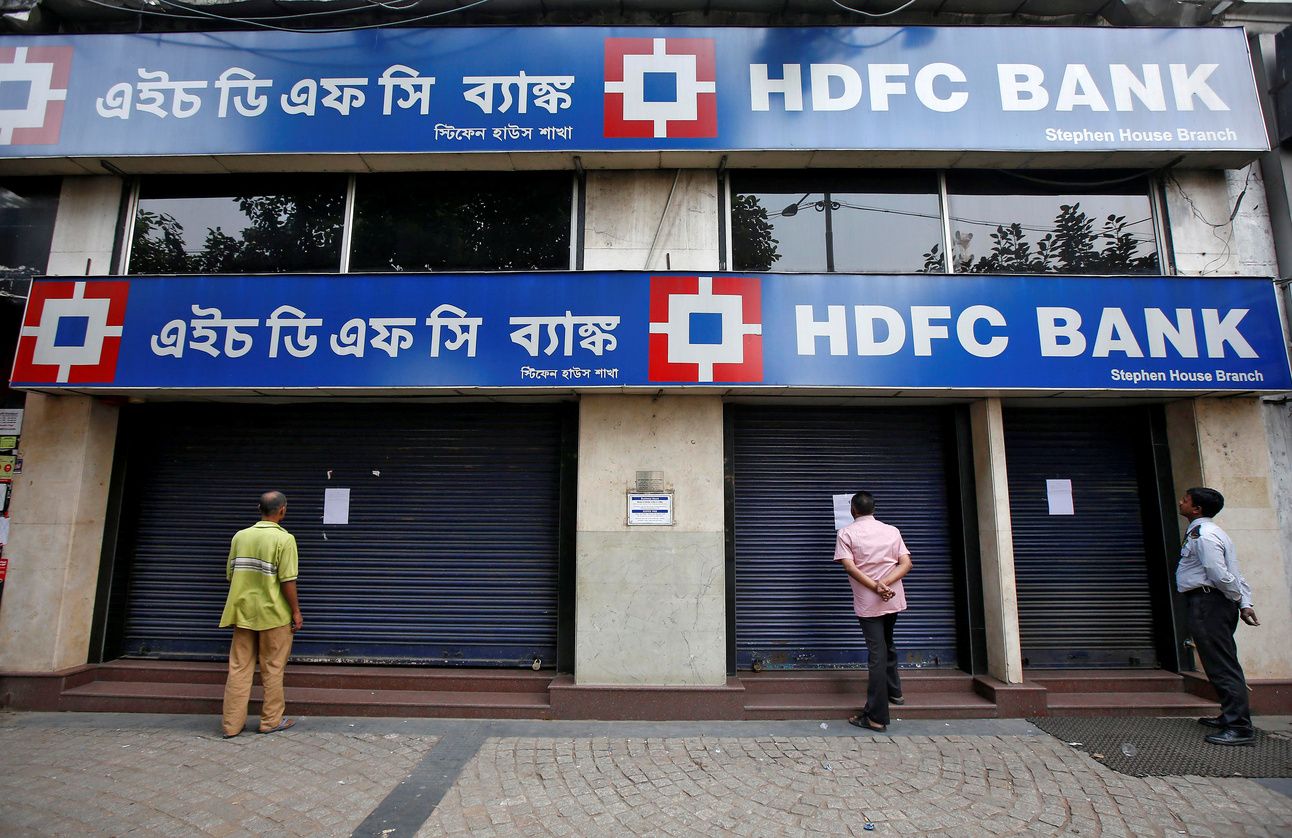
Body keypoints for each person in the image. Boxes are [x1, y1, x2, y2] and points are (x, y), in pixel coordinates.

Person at [1176, 486, 1260, 746]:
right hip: (1212, 602)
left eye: (1186, 500)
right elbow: (1235, 570)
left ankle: (1239, 727)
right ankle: (1229, 716)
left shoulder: (1205, 536)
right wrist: (1244, 602)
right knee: (1219, 662)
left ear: (1197, 508)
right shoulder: (1212, 532)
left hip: (1209, 603)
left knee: (1222, 665)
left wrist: (1236, 597)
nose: (1180, 502)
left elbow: (1220, 573)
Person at [219, 490, 303, 738]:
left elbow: (231, 574)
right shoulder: (285, 540)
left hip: (243, 613)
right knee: (273, 668)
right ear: (282, 510)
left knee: (238, 668)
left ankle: (231, 725)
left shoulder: (240, 537)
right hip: (273, 615)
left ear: (259, 509)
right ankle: (270, 721)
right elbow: (288, 580)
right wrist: (296, 611)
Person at [834, 491, 913, 733]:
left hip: (869, 602)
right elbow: (906, 563)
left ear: (853, 510)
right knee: (888, 642)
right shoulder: (892, 531)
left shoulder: (846, 533)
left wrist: (876, 587)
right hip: (892, 598)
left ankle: (876, 717)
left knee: (877, 653)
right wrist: (885, 585)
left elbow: (849, 567)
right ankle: (895, 692)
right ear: (874, 509)